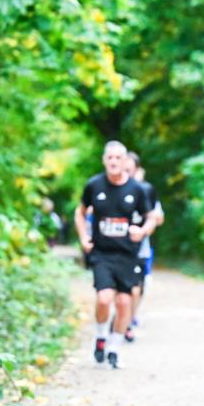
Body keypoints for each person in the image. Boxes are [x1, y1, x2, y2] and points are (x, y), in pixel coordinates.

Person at [74, 141, 156, 369]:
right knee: (104, 298)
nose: (113, 162)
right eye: (109, 157)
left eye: (118, 158)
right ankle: (101, 336)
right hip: (102, 253)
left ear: (124, 161)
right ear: (104, 160)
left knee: (123, 304)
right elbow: (79, 213)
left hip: (127, 255)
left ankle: (114, 349)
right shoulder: (94, 186)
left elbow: (151, 217)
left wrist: (143, 231)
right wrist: (83, 237)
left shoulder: (137, 190)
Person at [122, 151, 164, 341]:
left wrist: (145, 228)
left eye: (130, 169)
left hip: (140, 247)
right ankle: (124, 319)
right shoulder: (109, 188)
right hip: (115, 247)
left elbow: (157, 218)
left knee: (138, 286)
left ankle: (129, 319)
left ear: (137, 170)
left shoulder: (146, 191)